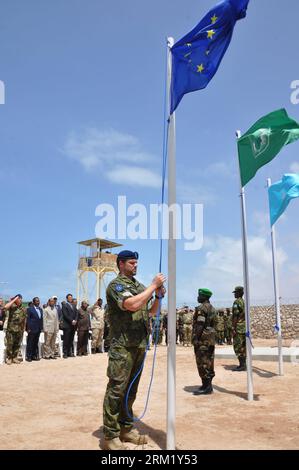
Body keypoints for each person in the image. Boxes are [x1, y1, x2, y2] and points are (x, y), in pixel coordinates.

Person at [103, 250, 166, 450]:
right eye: (131, 263)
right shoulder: (116, 285)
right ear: (121, 264)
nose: (135, 266)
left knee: (131, 390)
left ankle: (126, 428)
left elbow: (151, 312)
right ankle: (111, 434)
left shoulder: (138, 286)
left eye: (136, 263)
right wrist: (153, 286)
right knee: (117, 390)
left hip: (138, 344)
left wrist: (157, 296)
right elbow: (131, 304)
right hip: (122, 345)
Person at [192, 288, 217, 395]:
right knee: (209, 361)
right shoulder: (212, 308)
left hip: (203, 339)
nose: (198, 297)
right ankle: (208, 385)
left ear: (204, 297)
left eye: (199, 295)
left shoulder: (202, 308)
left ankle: (206, 386)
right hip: (210, 338)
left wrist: (196, 338)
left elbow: (200, 324)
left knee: (202, 362)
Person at [4, 295, 26, 365]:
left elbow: (24, 319)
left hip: (20, 329)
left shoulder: (23, 308)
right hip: (11, 329)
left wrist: (24, 329)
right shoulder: (12, 306)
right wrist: (14, 299)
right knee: (10, 344)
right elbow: (5, 307)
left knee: (17, 344)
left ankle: (14, 357)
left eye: (20, 299)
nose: (20, 300)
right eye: (18, 299)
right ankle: (9, 358)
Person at [232, 286, 246, 371]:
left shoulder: (237, 302)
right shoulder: (244, 302)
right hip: (244, 327)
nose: (234, 294)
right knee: (243, 346)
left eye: (236, 293)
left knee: (238, 346)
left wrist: (233, 327)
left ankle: (242, 365)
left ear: (239, 293)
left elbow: (235, 315)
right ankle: (243, 364)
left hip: (239, 327)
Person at [26, 297, 43, 361]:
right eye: (36, 301)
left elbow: (41, 319)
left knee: (35, 343)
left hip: (38, 329)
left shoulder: (40, 309)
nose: (38, 302)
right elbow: (28, 320)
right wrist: (28, 328)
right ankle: (29, 356)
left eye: (38, 301)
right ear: (33, 302)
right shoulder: (30, 309)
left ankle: (34, 355)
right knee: (30, 343)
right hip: (31, 329)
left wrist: (41, 328)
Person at [62, 294, 78, 358]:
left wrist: (75, 320)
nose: (71, 299)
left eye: (71, 297)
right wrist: (72, 320)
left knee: (71, 339)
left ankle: (70, 352)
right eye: (69, 298)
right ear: (67, 298)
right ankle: (65, 353)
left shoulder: (74, 305)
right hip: (67, 325)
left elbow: (76, 314)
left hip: (73, 326)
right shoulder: (65, 305)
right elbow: (65, 315)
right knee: (66, 339)